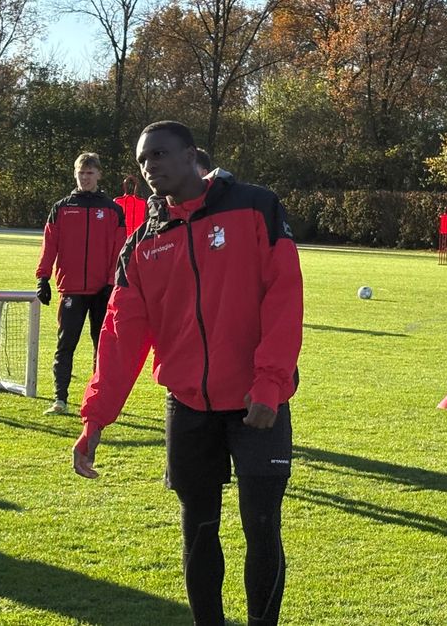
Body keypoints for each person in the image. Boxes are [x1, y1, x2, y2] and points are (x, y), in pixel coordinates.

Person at [73, 121, 303, 625]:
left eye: (160, 154)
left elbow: (284, 300)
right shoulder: (140, 245)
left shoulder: (255, 206)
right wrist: (96, 419)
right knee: (198, 530)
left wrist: (269, 384)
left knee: (261, 527)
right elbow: (118, 337)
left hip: (256, 405)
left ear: (191, 156)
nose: (151, 166)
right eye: (142, 160)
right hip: (188, 407)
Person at [35, 152, 126, 415]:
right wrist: (43, 277)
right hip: (71, 288)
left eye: (90, 173)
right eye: (81, 173)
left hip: (102, 290)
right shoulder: (61, 208)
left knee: (103, 346)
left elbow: (119, 250)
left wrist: (112, 283)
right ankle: (60, 399)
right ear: (75, 174)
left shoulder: (112, 210)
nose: (85, 177)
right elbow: (49, 244)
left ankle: (98, 400)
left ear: (99, 174)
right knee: (65, 345)